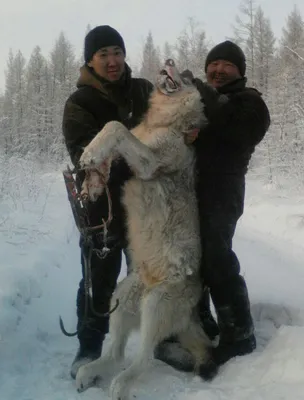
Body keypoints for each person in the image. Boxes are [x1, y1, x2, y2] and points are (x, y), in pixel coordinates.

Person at [156, 41, 271, 374]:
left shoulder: (250, 102)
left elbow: (237, 131)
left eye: (226, 65)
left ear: (240, 71)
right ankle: (203, 323)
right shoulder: (205, 103)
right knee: (195, 259)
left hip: (223, 190)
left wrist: (201, 90)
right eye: (213, 64)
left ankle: (240, 334)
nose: (218, 70)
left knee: (217, 257)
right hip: (190, 191)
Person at [62, 25, 153, 379]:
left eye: (117, 51)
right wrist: (137, 149)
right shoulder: (80, 103)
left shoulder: (144, 89)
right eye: (104, 55)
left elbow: (165, 127)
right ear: (90, 60)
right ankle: (89, 346)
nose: (113, 61)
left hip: (146, 203)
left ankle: (159, 339)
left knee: (148, 275)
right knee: (98, 277)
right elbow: (85, 156)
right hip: (103, 207)